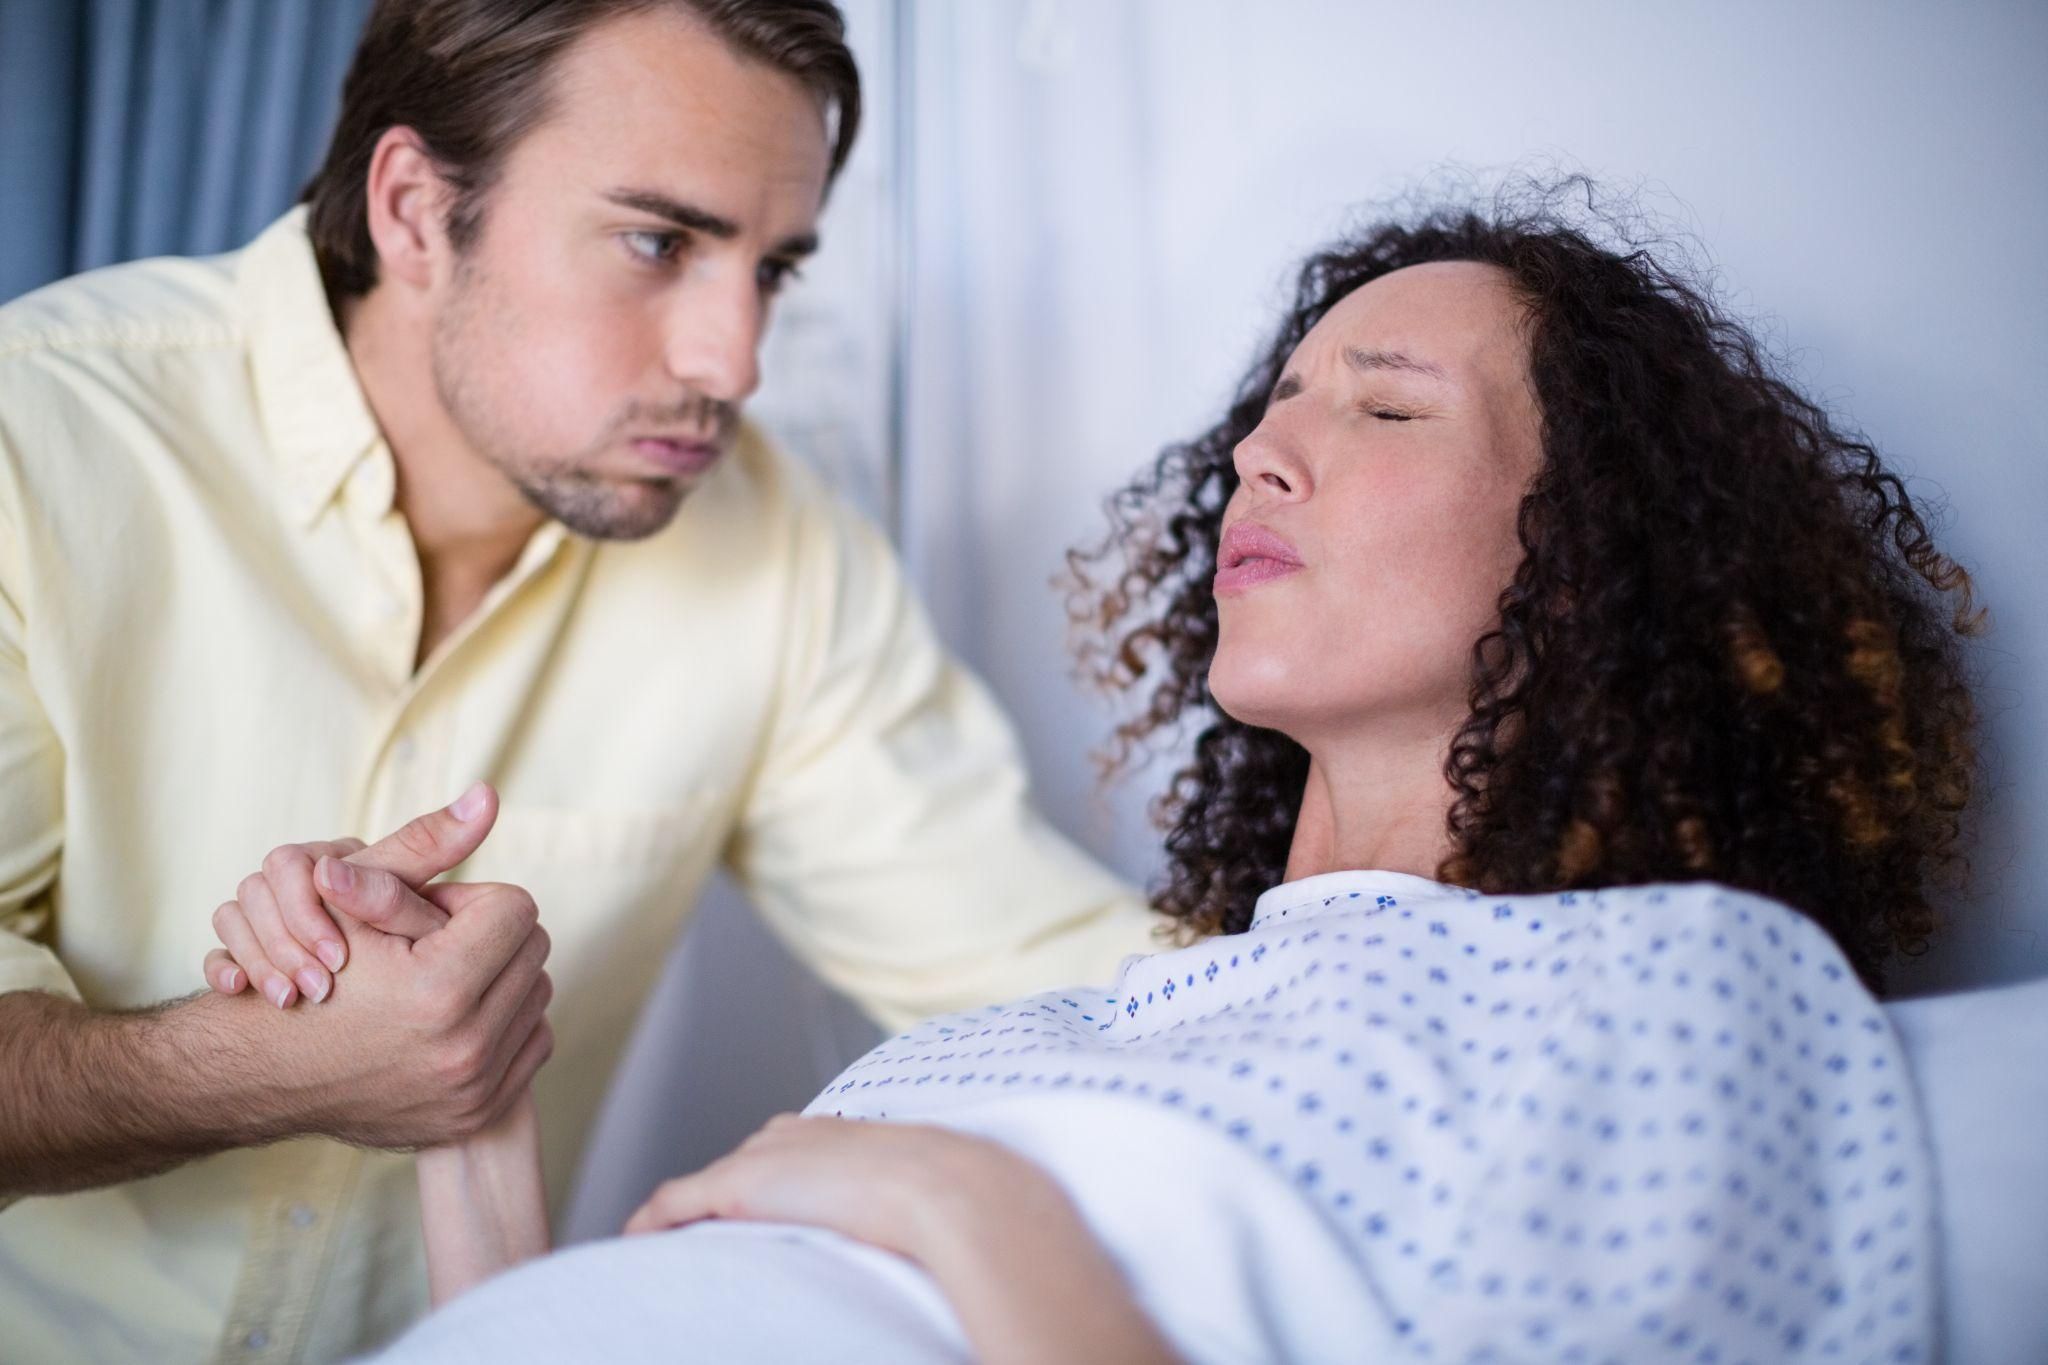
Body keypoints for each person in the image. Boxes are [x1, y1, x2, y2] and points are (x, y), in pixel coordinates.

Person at [239, 185, 1977, 1362]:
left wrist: (963, 1206)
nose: (1261, 454)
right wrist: (465, 1123)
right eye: (1274, 403)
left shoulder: (1676, 988)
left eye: (1379, 410)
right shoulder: (1088, 1019)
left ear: (1593, 553)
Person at [0, 3, 1156, 1360]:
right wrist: (249, 1065)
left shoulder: (778, 555)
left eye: (772, 268)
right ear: (417, 210)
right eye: (658, 243)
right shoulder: (39, 441)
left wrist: (1408, 979)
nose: (734, 362)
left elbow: (1050, 967)